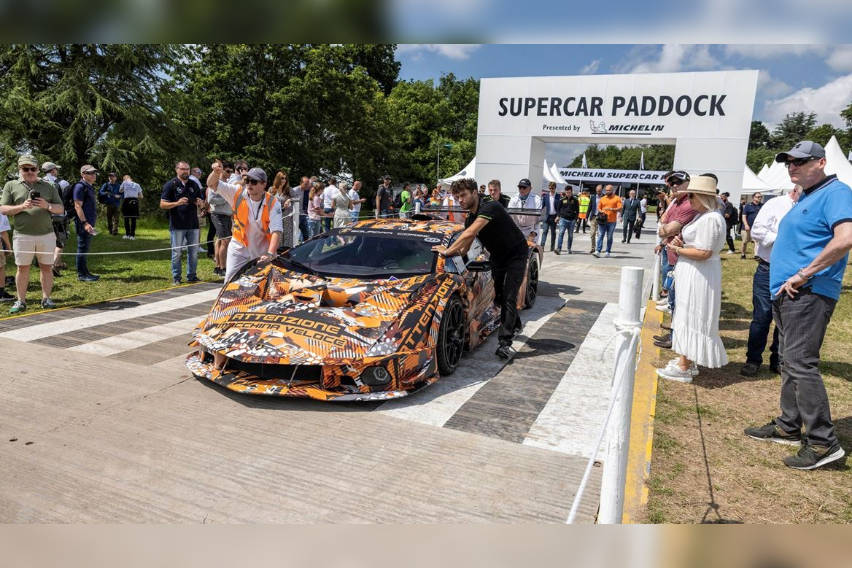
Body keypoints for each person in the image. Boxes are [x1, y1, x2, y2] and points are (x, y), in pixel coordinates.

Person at [745, 140, 851, 470]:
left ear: (820, 162)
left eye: (800, 161)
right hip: (788, 293)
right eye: (789, 162)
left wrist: (804, 274)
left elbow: (846, 237)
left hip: (808, 292)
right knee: (791, 361)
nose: (792, 166)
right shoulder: (807, 196)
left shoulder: (836, 192)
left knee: (801, 363)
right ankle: (789, 425)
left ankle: (823, 443)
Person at [431, 178, 529, 361]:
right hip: (498, 256)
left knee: (509, 296)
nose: (460, 200)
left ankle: (505, 343)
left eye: (463, 196)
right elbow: (465, 248)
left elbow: (469, 233)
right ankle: (515, 324)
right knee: (499, 297)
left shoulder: (489, 206)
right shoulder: (470, 218)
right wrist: (450, 260)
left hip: (516, 254)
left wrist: (447, 251)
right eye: (457, 197)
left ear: (475, 193)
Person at [656, 175, 728, 382]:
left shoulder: (711, 218)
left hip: (699, 273)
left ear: (701, 197)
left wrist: (677, 248)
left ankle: (684, 365)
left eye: (692, 197)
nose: (689, 201)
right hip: (693, 271)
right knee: (688, 314)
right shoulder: (702, 216)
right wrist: (683, 242)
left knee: (693, 314)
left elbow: (704, 252)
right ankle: (686, 359)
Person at [740, 185, 802, 378]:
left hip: (795, 273)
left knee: (785, 318)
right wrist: (784, 239)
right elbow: (757, 231)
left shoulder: (812, 206)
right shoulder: (775, 204)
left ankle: (778, 360)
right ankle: (753, 359)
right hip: (769, 268)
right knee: (762, 315)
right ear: (795, 189)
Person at [0, 155, 65, 312]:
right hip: (22, 235)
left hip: (46, 234)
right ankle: (21, 301)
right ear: (20, 169)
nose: (29, 172)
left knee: (46, 267)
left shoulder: (49, 186)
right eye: (25, 169)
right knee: (22, 268)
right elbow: (3, 209)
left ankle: (46, 299)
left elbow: (60, 209)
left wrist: (47, 205)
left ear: (37, 169)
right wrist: (21, 207)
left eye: (32, 169)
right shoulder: (11, 185)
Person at [208, 163, 283, 281]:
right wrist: (216, 173)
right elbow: (211, 184)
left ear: (264, 184)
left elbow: (276, 231)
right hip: (239, 246)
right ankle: (228, 299)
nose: (249, 184)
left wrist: (270, 253)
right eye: (247, 180)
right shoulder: (236, 193)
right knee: (230, 279)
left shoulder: (273, 203)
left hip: (262, 249)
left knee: (264, 283)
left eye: (254, 181)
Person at [652, 172, 698, 332]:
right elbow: (663, 222)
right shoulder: (676, 202)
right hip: (673, 254)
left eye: (678, 182)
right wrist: (664, 230)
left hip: (682, 258)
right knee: (674, 298)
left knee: (679, 300)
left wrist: (664, 230)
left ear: (688, 183)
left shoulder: (688, 204)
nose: (674, 186)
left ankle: (675, 335)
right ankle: (673, 330)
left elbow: (667, 228)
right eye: (671, 184)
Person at [160, 161, 206, 285]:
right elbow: (162, 204)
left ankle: (192, 276)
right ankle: (177, 277)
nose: (185, 171)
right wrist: (177, 203)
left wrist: (201, 205)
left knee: (193, 252)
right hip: (177, 225)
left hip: (193, 224)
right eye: (182, 169)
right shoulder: (171, 185)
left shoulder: (193, 184)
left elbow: (199, 200)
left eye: (187, 169)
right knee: (177, 253)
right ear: (177, 170)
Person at [71, 164, 101, 283]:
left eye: (94, 173)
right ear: (83, 174)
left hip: (89, 222)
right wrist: (85, 223)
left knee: (85, 247)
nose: (94, 175)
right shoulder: (80, 187)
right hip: (84, 223)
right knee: (82, 247)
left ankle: (85, 272)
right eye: (91, 173)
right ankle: (81, 274)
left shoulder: (88, 186)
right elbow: (77, 206)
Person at [42, 161, 70, 275]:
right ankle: (54, 266)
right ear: (53, 170)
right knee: (60, 241)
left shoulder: (39, 182)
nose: (57, 171)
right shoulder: (63, 183)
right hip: (59, 215)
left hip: (43, 216)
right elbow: (68, 199)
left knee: (46, 240)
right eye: (56, 169)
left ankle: (56, 263)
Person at [206, 171, 233, 278]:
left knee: (221, 240)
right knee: (225, 241)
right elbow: (211, 199)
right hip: (218, 215)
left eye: (230, 170)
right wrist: (225, 199)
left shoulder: (229, 183)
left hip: (227, 215)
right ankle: (223, 268)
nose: (229, 173)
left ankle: (218, 267)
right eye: (227, 170)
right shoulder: (216, 183)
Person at [593, 184, 622, 257]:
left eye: (609, 190)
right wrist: (601, 211)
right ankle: (598, 251)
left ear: (612, 190)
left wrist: (611, 209)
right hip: (602, 220)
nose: (607, 191)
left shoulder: (617, 198)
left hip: (612, 221)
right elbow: (598, 208)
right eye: (606, 190)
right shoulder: (603, 198)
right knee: (600, 235)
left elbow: (620, 208)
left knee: (609, 236)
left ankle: (607, 252)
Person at [269, 171, 295, 249]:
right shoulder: (271, 189)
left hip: (287, 218)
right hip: (275, 218)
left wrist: (289, 200)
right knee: (276, 239)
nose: (284, 180)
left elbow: (297, 198)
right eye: (282, 178)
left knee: (287, 242)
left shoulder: (289, 190)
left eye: (285, 178)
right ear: (278, 179)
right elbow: (266, 201)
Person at [554, 185, 579, 255]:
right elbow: (558, 209)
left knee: (570, 235)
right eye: (567, 192)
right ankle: (559, 249)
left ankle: (569, 248)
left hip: (572, 220)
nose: (568, 194)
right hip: (563, 219)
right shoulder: (562, 200)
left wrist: (576, 219)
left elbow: (577, 210)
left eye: (569, 192)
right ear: (565, 192)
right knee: (561, 233)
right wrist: (558, 216)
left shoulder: (575, 200)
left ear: (572, 192)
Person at [119, 174, 143, 240]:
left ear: (124, 179)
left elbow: (120, 191)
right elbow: (141, 196)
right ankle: (132, 236)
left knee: (126, 218)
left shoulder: (124, 183)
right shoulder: (137, 185)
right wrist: (134, 195)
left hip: (127, 201)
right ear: (131, 179)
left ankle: (127, 234)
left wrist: (126, 189)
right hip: (135, 201)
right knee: (133, 219)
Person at [740, 192, 763, 259]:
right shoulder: (748, 206)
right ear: (753, 197)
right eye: (758, 197)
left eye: (760, 197)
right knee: (745, 241)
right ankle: (743, 254)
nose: (759, 198)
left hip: (757, 227)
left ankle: (756, 255)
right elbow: (744, 216)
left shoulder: (762, 206)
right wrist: (746, 225)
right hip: (747, 227)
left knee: (757, 241)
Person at [539, 182, 558, 251]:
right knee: (545, 231)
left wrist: (558, 216)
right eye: (550, 188)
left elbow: (559, 207)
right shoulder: (546, 196)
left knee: (553, 232)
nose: (551, 189)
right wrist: (538, 213)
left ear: (555, 188)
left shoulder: (558, 196)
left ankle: (552, 247)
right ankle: (542, 246)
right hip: (547, 217)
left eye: (552, 188)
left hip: (554, 217)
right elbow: (542, 206)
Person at [0, 211, 13, 301]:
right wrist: (9, 247)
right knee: (0, 268)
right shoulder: (2, 212)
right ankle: (1, 294)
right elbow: (3, 232)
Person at [587, 185, 602, 253]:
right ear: (596, 190)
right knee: (592, 233)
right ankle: (593, 248)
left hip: (601, 218)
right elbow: (589, 207)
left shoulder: (604, 197)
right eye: (598, 190)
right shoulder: (592, 197)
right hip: (593, 217)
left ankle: (599, 248)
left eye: (600, 191)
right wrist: (586, 216)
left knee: (600, 234)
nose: (599, 192)